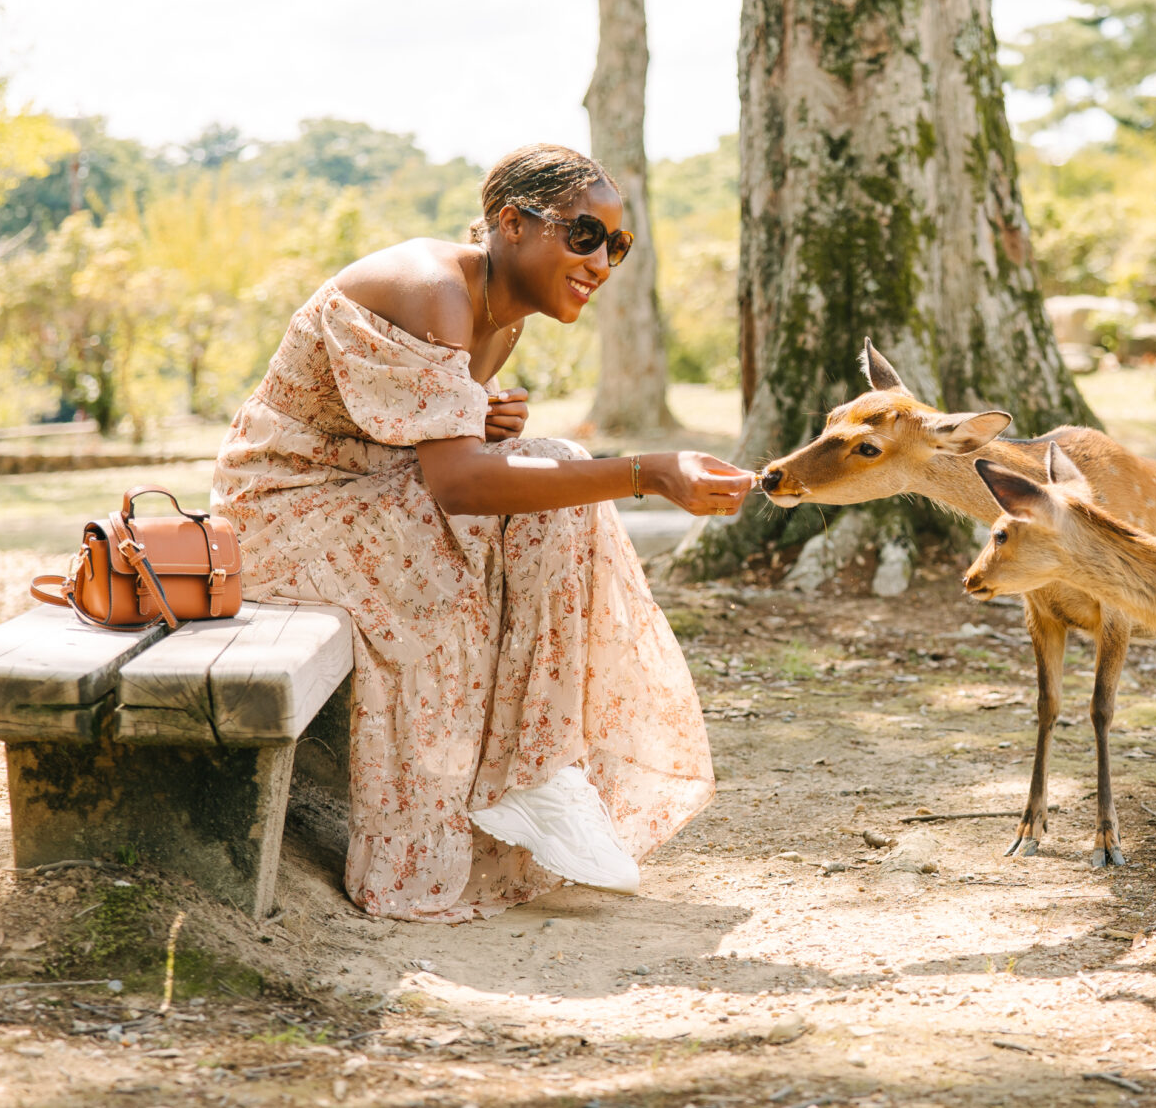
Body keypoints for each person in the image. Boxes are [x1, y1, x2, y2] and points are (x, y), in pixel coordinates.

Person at [210, 143, 753, 923]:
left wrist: (485, 417)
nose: (602, 262)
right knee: (551, 471)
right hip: (284, 511)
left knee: (545, 470)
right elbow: (460, 485)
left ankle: (538, 767)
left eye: (617, 245)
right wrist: (648, 473)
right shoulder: (435, 288)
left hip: (364, 495)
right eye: (585, 235)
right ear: (512, 223)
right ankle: (528, 775)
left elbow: (436, 442)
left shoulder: (503, 316)